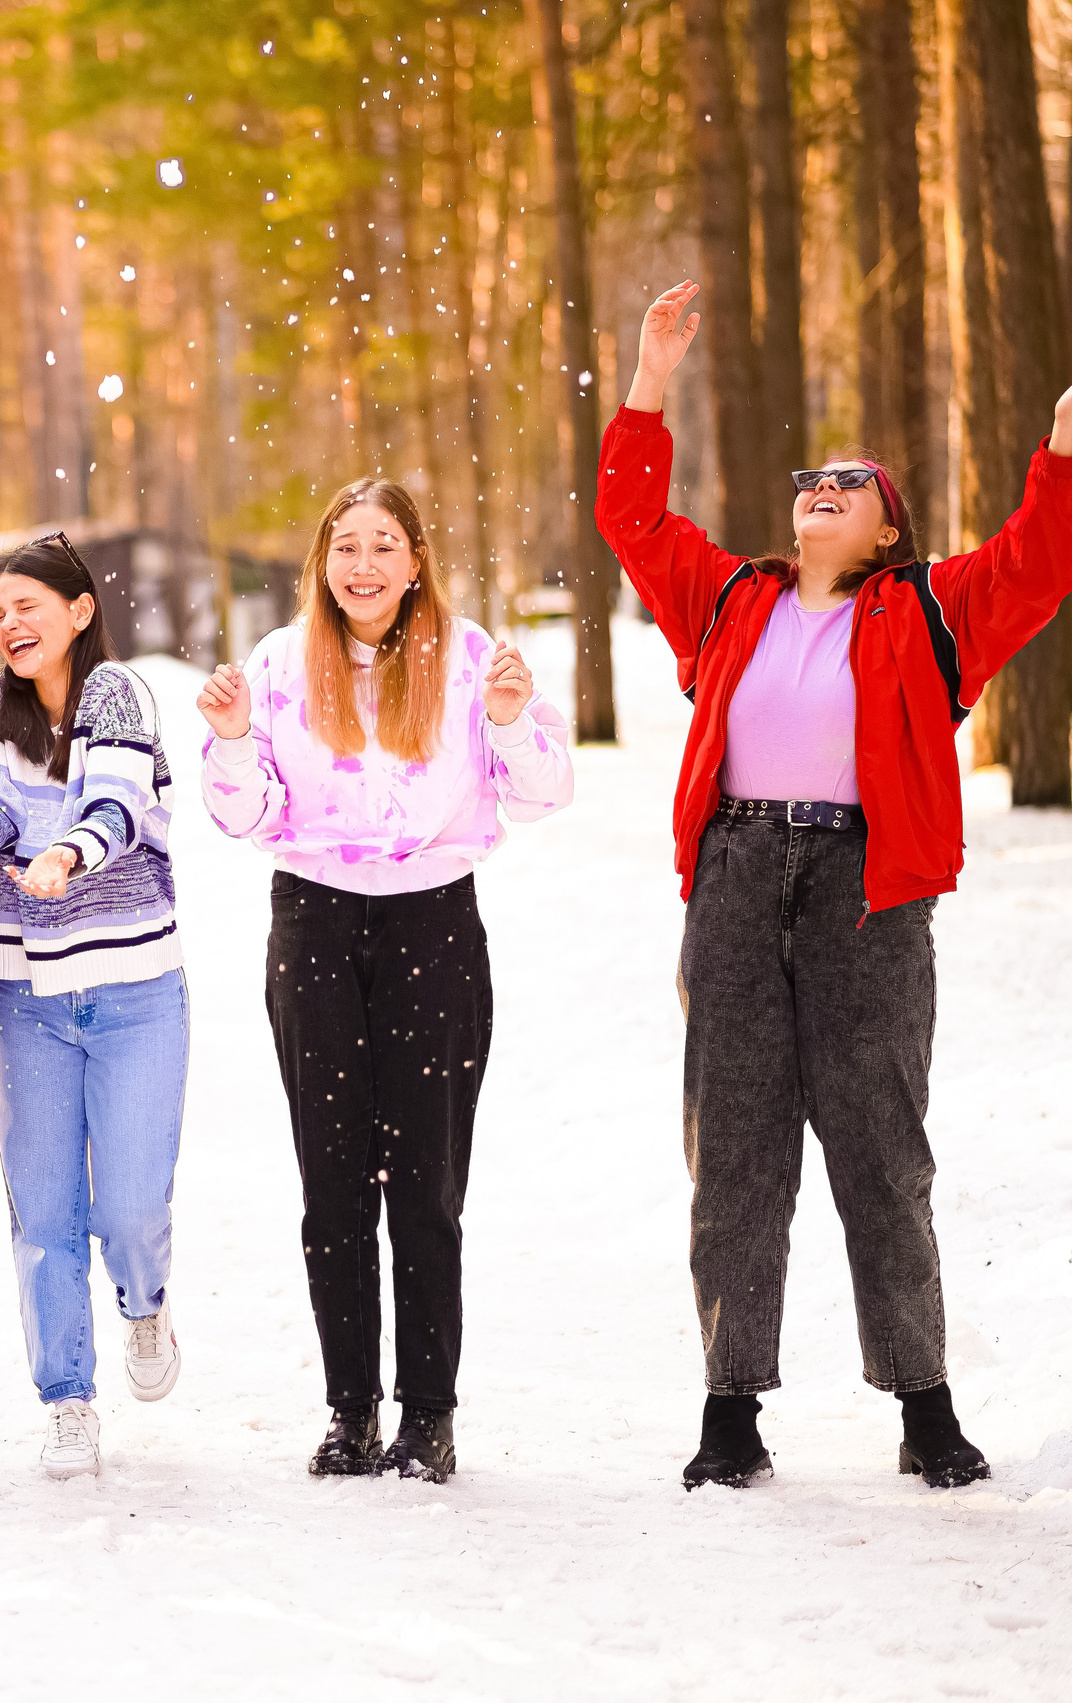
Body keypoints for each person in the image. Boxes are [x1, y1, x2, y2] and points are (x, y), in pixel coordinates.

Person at [602, 281, 1072, 1490]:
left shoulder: (929, 608)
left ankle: (923, 1402)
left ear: (885, 531)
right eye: (813, 475)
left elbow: (1037, 559)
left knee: (878, 1147)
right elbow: (631, 516)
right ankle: (729, 1406)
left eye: (850, 481)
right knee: (738, 1148)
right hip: (737, 875)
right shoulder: (731, 599)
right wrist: (652, 370)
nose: (824, 483)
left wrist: (1062, 444)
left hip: (869, 886)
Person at [197, 478, 572, 1485]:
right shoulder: (279, 665)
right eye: (346, 546)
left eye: (383, 545)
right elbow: (240, 816)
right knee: (331, 1185)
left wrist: (504, 717)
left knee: (424, 1184)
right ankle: (350, 1409)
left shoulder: (466, 658)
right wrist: (232, 738)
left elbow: (542, 791)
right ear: (322, 562)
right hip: (313, 921)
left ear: (414, 562)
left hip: (430, 925)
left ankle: (429, 1415)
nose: (362, 565)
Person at [0, 534, 188, 1482]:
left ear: (81, 610)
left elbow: (117, 804)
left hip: (136, 988)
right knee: (43, 1211)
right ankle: (66, 1397)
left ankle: (143, 1301)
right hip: (30, 996)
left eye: (30, 604)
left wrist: (71, 856)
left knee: (134, 1205)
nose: (11, 623)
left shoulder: (118, 695)